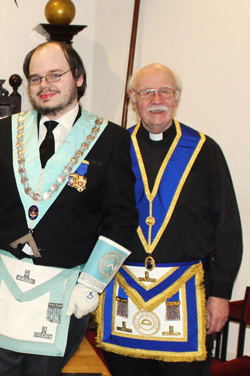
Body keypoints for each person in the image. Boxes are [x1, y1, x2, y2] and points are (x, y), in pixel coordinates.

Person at [0, 41, 138, 375]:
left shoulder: (110, 139)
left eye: (55, 74)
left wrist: (92, 283)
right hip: (3, 283)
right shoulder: (6, 131)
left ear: (79, 78)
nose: (45, 85)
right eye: (36, 78)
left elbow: (122, 218)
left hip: (66, 291)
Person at [96, 63, 243, 375]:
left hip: (186, 296)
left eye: (165, 91)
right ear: (132, 100)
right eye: (147, 92)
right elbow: (95, 219)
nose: (156, 99)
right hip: (125, 292)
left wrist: (221, 293)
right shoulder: (114, 150)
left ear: (177, 99)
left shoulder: (205, 150)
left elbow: (228, 226)